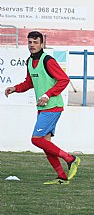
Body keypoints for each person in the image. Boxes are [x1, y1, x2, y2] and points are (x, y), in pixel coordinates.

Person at [4, 31, 80, 185]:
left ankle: (71, 159)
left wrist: (47, 95)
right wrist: (15, 88)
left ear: (42, 44)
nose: (32, 45)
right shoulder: (29, 62)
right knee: (47, 145)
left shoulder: (48, 60)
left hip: (53, 107)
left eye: (35, 42)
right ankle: (62, 177)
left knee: (36, 139)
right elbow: (29, 82)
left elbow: (64, 80)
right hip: (43, 108)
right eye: (30, 42)